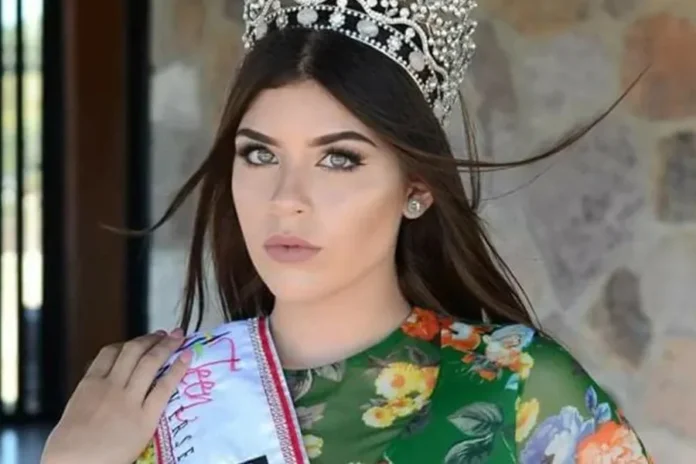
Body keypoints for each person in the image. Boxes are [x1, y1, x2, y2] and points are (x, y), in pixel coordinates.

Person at [42, 0, 653, 463]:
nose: (286, 199)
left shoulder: (521, 387)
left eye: (339, 159)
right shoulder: (156, 403)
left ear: (416, 188)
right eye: (259, 154)